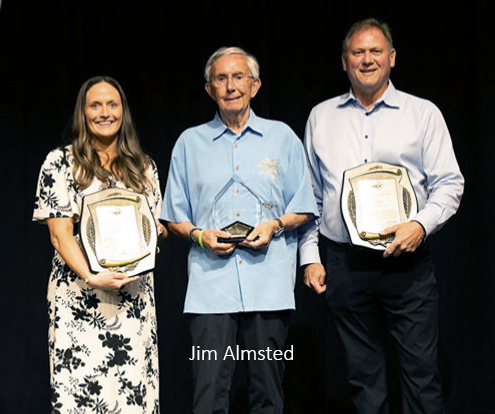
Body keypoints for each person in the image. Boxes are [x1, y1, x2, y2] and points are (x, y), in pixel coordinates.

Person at [299, 18, 464, 414]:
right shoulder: (321, 117)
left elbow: (449, 184)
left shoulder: (423, 114)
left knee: (421, 377)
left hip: (407, 265)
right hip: (344, 265)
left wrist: (420, 224)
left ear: (392, 58)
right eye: (358, 52)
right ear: (344, 62)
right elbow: (310, 197)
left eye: (376, 52)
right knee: (363, 382)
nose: (367, 60)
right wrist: (310, 256)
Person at [160, 46, 318, 414]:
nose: (231, 86)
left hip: (269, 285)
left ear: (255, 85)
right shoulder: (189, 143)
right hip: (210, 289)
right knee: (209, 393)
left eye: (239, 77)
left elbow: (305, 205)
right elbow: (172, 215)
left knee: (268, 393)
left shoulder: (282, 138)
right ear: (209, 89)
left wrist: (276, 225)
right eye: (221, 78)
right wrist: (200, 236)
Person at [33, 75, 167, 414]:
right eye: (95, 105)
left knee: (134, 396)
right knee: (80, 396)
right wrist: (93, 276)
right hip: (79, 299)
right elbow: (59, 234)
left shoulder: (144, 167)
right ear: (83, 112)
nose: (104, 112)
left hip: (134, 298)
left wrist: (148, 236)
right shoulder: (60, 163)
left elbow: (158, 229)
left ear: (123, 112)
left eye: (112, 104)